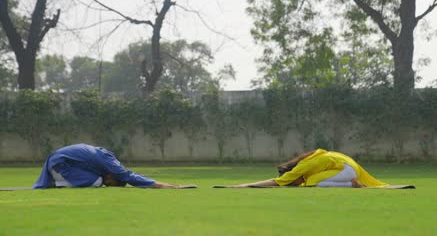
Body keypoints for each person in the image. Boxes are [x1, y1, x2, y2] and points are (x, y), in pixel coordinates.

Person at [33, 143, 195, 189]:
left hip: (56, 164)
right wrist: (164, 185)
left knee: (95, 180)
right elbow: (128, 176)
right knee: (96, 182)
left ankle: (58, 182)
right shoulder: (109, 164)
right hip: (58, 165)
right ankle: (59, 184)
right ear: (112, 176)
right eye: (109, 184)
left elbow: (128, 174)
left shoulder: (105, 161)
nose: (106, 183)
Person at [227, 148, 388, 188]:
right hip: (351, 168)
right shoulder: (313, 158)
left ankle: (351, 184)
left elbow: (276, 182)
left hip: (348, 171)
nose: (294, 183)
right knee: (312, 180)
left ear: (292, 173)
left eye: (292, 181)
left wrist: (245, 185)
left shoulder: (302, 168)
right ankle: (351, 182)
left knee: (314, 182)